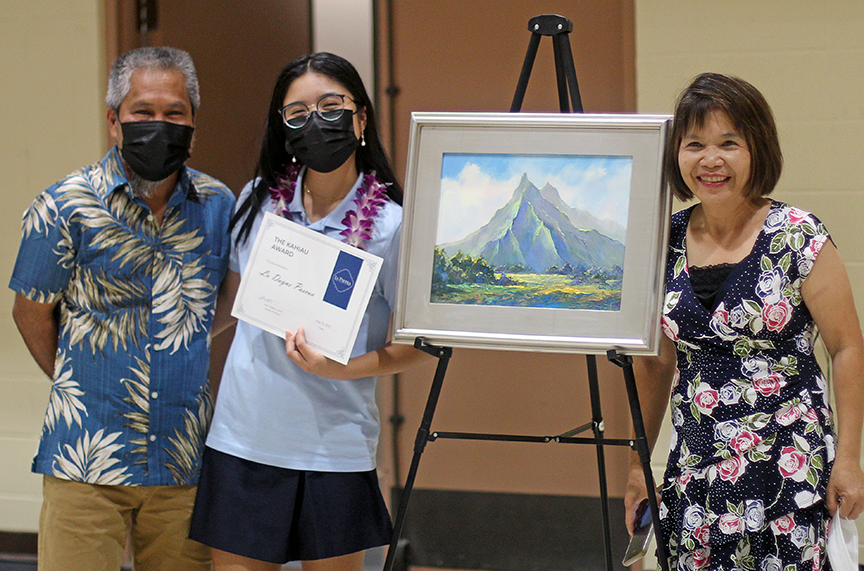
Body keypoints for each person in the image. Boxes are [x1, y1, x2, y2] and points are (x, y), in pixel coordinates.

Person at [188, 52, 432, 571]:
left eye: (330, 106)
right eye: (297, 114)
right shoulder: (257, 201)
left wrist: (342, 368)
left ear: (361, 118)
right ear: (284, 129)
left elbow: (416, 346)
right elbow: (233, 303)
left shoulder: (392, 227)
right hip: (242, 438)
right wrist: (170, 338)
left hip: (333, 446)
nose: (315, 122)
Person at [623, 73, 864, 570]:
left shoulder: (798, 235)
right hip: (695, 464)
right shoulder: (660, 239)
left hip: (789, 468)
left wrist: (849, 460)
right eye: (695, 145)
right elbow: (655, 363)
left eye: (728, 143)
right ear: (677, 156)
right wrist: (636, 463)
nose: (711, 160)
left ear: (757, 149)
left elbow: (847, 347)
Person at [9, 46, 235, 571]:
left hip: (184, 461)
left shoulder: (220, 205)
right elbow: (30, 313)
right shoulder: (65, 205)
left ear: (193, 124)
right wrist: (79, 379)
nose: (159, 125)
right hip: (85, 458)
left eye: (174, 113)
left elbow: (225, 302)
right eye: (143, 112)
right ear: (114, 121)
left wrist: (184, 339)